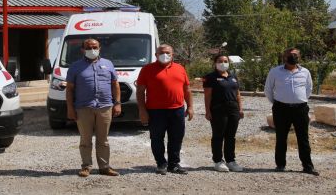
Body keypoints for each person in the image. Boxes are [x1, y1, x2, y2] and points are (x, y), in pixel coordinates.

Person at [66, 38, 122, 177]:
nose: (92, 50)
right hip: (83, 108)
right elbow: (69, 89)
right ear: (82, 50)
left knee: (103, 140)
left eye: (95, 47)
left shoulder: (108, 64)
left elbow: (115, 85)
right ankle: (86, 167)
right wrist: (70, 108)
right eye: (88, 47)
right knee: (85, 140)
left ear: (100, 48)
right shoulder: (75, 67)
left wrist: (118, 103)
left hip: (105, 107)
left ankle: (104, 167)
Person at [136, 44, 193, 175]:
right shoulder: (147, 69)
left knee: (176, 137)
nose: (165, 55)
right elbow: (140, 91)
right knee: (157, 138)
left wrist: (190, 106)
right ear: (156, 55)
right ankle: (161, 163)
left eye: (168, 52)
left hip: (177, 110)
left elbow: (187, 89)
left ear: (173, 55)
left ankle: (173, 164)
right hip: (155, 111)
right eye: (161, 52)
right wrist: (142, 110)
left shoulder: (180, 68)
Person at [264, 47, 319, 176]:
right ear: (284, 57)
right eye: (290, 55)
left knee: (303, 138)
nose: (292, 57)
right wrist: (277, 103)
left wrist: (299, 100)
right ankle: (280, 165)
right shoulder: (275, 72)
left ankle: (308, 166)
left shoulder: (305, 72)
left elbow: (308, 89)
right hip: (281, 109)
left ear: (299, 57)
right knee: (281, 137)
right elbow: (268, 90)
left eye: (295, 55)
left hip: (300, 109)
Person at [203, 54, 244, 172]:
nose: (223, 63)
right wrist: (207, 111)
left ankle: (231, 160)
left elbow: (238, 94)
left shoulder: (233, 76)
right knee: (218, 136)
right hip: (218, 109)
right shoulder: (210, 77)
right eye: (220, 61)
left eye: (225, 61)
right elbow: (207, 96)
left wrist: (240, 109)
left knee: (231, 136)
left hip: (233, 109)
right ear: (215, 63)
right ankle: (218, 161)